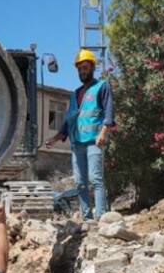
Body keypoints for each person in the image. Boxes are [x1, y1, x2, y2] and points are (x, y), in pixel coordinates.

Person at [45, 49, 116, 220]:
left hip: (94, 141)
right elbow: (69, 120)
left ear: (92, 67)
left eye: (85, 68)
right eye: (79, 69)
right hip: (77, 144)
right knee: (80, 182)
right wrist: (55, 138)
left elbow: (108, 112)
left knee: (95, 179)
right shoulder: (74, 94)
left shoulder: (102, 87)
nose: (82, 71)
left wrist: (103, 133)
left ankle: (100, 216)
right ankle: (86, 217)